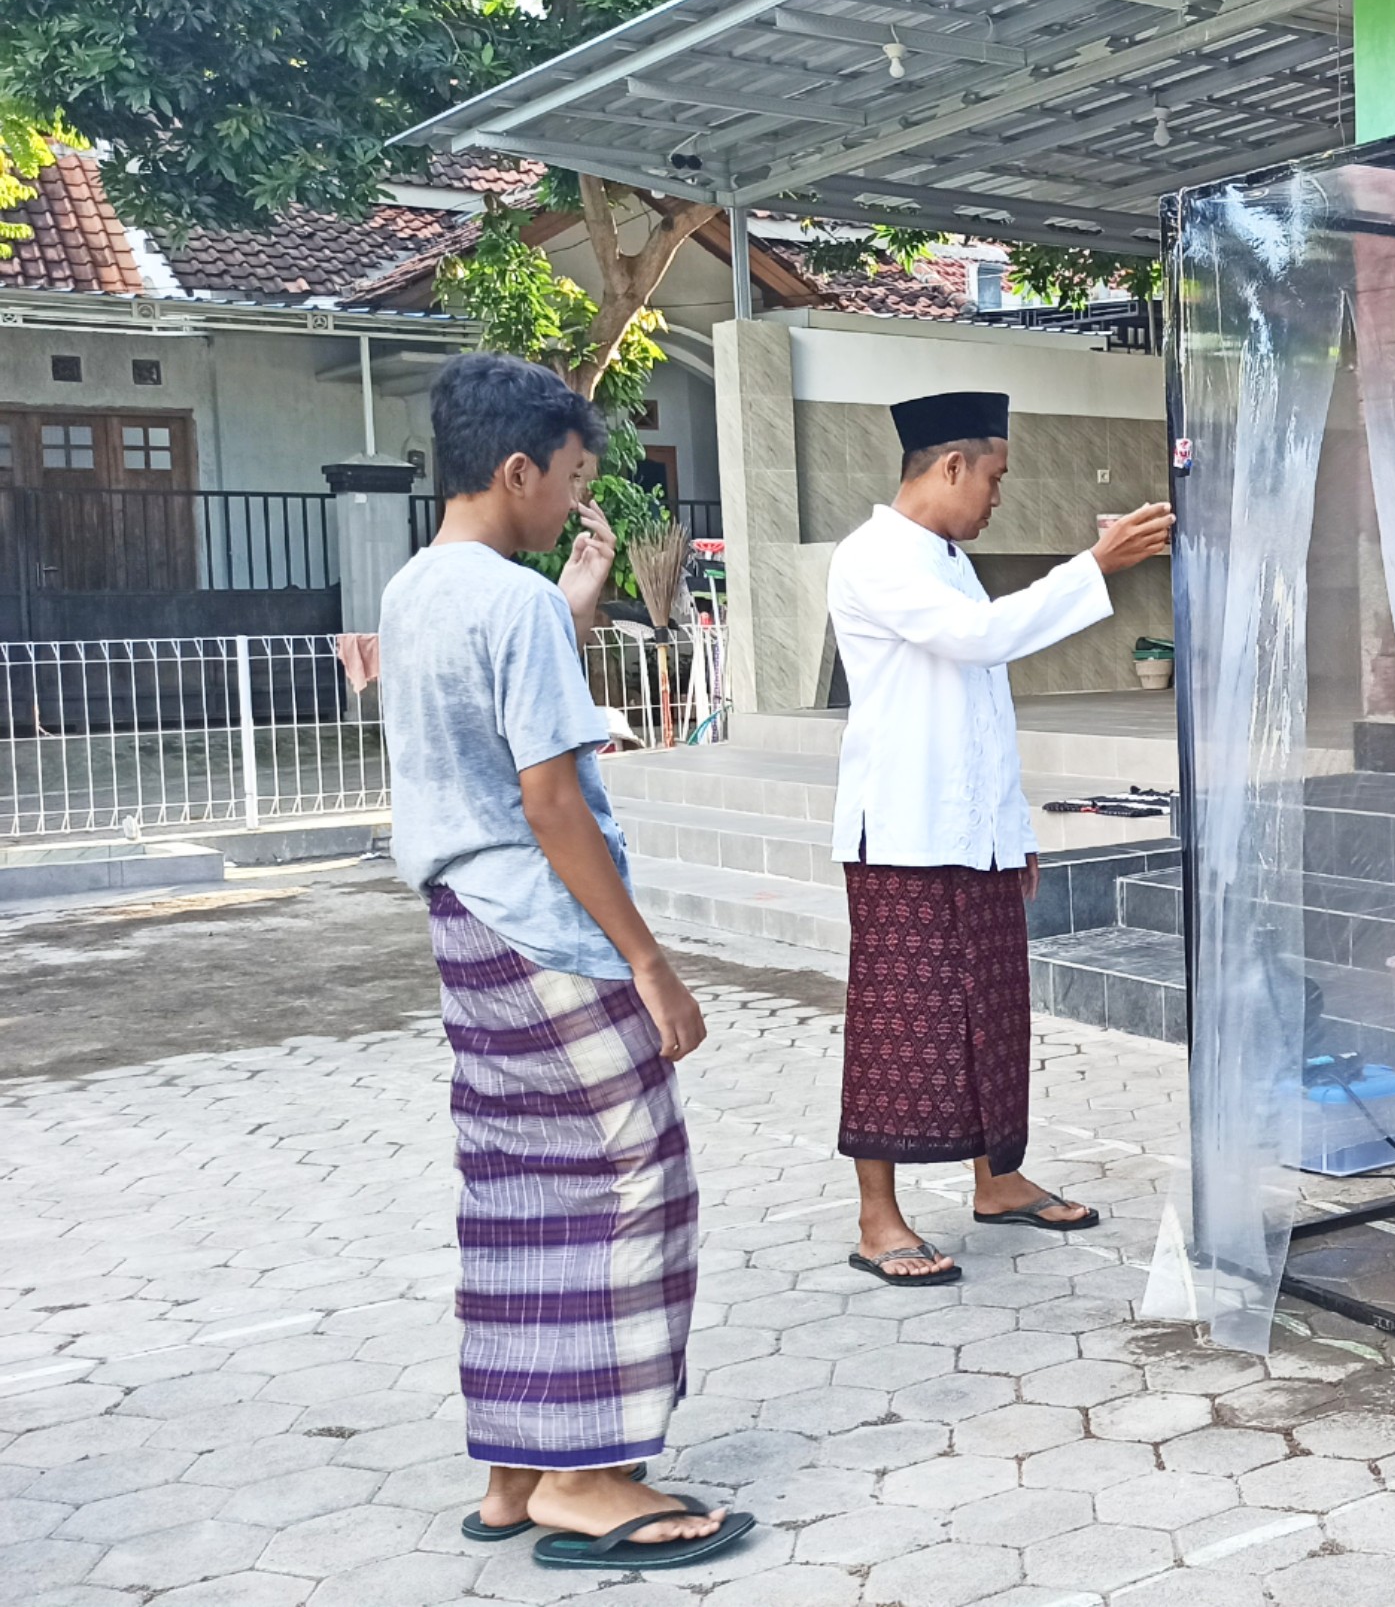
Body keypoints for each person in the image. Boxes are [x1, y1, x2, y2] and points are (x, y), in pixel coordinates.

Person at [381, 352, 751, 1572]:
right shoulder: (513, 603)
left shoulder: (418, 590)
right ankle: (588, 1476)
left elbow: (488, 730)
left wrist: (576, 595)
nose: (575, 502)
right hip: (546, 932)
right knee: (631, 1177)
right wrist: (649, 961)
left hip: (464, 928)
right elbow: (549, 800)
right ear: (517, 468)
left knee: (515, 1186)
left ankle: (514, 1469)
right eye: (573, 479)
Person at [827, 390, 1174, 1286]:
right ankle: (878, 1218)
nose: (996, 497)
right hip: (902, 833)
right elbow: (980, 643)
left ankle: (997, 1178)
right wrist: (1094, 564)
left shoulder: (945, 557)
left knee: (991, 1016)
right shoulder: (874, 556)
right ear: (950, 466)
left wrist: (1012, 828)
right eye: (993, 476)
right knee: (899, 1024)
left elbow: (983, 708)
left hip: (969, 830)